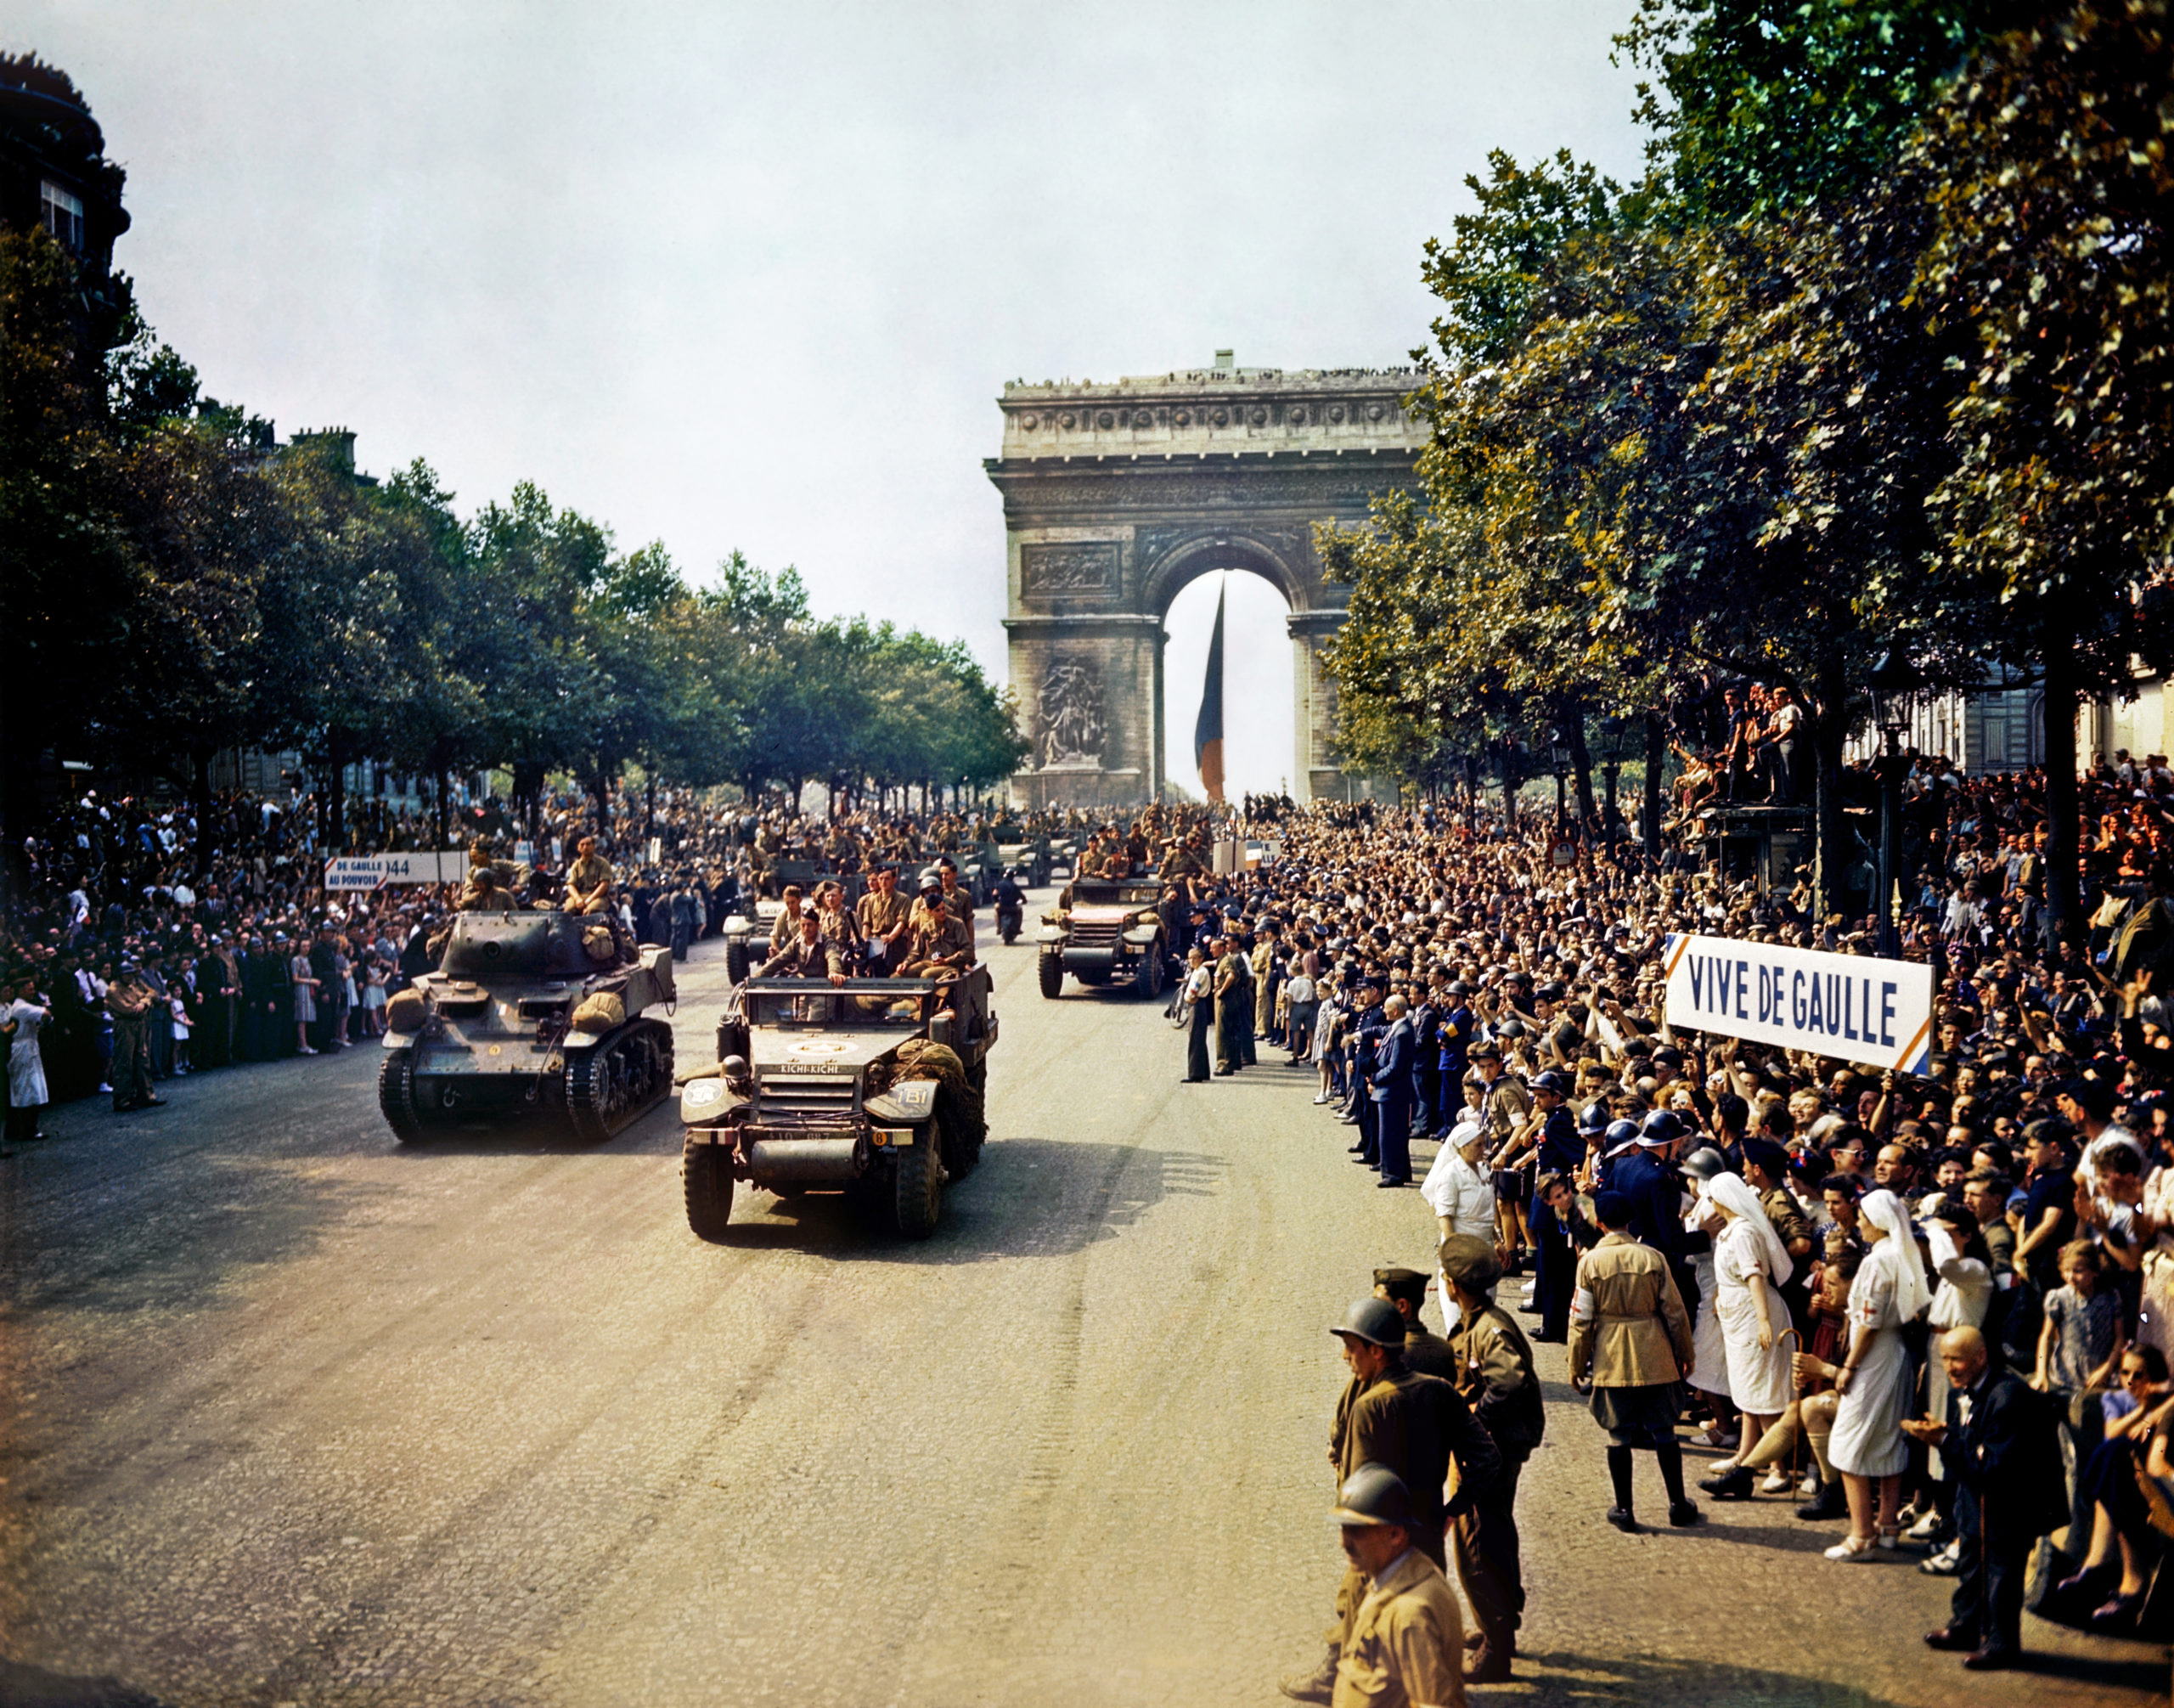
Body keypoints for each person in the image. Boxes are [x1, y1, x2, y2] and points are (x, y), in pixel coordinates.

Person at [1283, 1297, 1500, 1706]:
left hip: (1382, 1546)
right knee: (1421, 1633)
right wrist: (1453, 1509)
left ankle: (1336, 1681)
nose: (1346, 1356)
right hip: (1429, 1539)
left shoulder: (1370, 1407)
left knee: (1360, 1624)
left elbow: (1357, 1493)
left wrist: (1354, 1535)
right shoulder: (1439, 1392)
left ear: (1376, 1351)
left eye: (1352, 1346)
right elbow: (1487, 1458)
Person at [1912, 1326, 2067, 1671]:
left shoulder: (2007, 1396)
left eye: (1957, 1358)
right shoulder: (1976, 1388)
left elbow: (1993, 1464)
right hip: (1976, 1503)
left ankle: (2001, 1645)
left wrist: (1943, 1442)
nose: (1950, 1366)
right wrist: (1946, 1435)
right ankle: (1965, 1628)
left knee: (2000, 1577)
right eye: (1945, 1359)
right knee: (1970, 1565)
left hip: (2007, 1507)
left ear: (1980, 1356)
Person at [1439, 1234, 1541, 1684]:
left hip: (1491, 1450)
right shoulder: (1477, 1321)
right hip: (1495, 1447)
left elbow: (1510, 1380)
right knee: (1494, 1532)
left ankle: (1495, 1649)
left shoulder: (1488, 1329)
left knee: (1477, 1543)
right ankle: (1498, 1628)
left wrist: (1475, 1418)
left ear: (1454, 1284)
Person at [1569, 1188, 1701, 1532]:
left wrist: (1575, 1363)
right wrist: (1685, 1353)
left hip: (1612, 1356)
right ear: (1630, 1221)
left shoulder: (1589, 1263)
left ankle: (1624, 1509)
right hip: (1654, 1351)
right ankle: (1677, 1504)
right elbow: (1675, 1312)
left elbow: (1580, 1320)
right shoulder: (1652, 1258)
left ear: (1599, 1224)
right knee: (1664, 1429)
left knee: (1619, 1434)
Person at [1823, 1187, 1931, 1559]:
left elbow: (1867, 1322)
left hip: (1873, 1359)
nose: (1861, 1223)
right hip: (1896, 1355)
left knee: (1849, 1445)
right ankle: (1887, 1525)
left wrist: (1849, 1366)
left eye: (1866, 1218)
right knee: (1887, 1440)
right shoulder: (1902, 1254)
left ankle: (1861, 1535)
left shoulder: (1876, 1261)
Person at [1325, 1465, 1468, 1708]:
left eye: (1356, 1531)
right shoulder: (1392, 1576)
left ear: (1395, 1535)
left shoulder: (1410, 1614)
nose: (1343, 1543)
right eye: (1343, 1528)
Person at [1698, 1171, 1796, 1500]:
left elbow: (1754, 1276)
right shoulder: (1730, 1232)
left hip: (1753, 1315)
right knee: (1747, 1390)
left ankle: (1777, 1467)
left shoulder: (1744, 1233)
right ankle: (1745, 1456)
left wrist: (1764, 1321)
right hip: (1736, 1316)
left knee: (1762, 1391)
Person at [1371, 1267, 1456, 1378]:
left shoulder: (1387, 1355)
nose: (1372, 1308)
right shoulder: (1445, 1349)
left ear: (1402, 1306)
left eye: (1378, 1303)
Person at [1370, 995, 1416, 1188]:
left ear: (1396, 1010)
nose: (1384, 1011)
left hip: (1393, 1090)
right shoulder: (1398, 1028)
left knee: (1390, 1134)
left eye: (1387, 1008)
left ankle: (1393, 1173)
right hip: (1391, 1090)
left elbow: (1396, 1067)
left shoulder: (1403, 1032)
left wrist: (1375, 1078)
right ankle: (1400, 1170)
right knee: (1395, 1133)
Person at [3, 974, 53, 1145]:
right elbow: (46, 1013)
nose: (33, 992)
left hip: (26, 1046)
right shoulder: (22, 1007)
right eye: (30, 989)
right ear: (21, 991)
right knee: (28, 1088)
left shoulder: (19, 1006)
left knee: (24, 1087)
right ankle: (28, 1129)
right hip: (23, 1049)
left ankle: (18, 1129)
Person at [1180, 946, 1214, 1084]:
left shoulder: (1201, 973)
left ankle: (1195, 1073)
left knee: (1195, 1038)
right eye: (1190, 958)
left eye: (1194, 958)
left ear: (1201, 959)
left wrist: (1188, 998)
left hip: (1197, 1004)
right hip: (1198, 1004)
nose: (1191, 961)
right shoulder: (1197, 971)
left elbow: (1194, 989)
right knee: (1199, 1038)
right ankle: (1203, 1071)